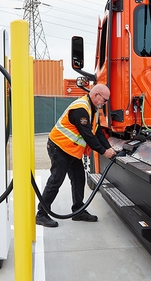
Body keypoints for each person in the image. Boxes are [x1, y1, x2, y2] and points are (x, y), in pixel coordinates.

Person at [36, 84, 117, 227]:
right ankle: (41, 214)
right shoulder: (81, 109)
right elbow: (88, 136)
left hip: (71, 150)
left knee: (79, 177)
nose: (105, 103)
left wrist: (109, 148)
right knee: (56, 179)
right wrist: (104, 152)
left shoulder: (94, 110)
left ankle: (78, 210)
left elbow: (97, 132)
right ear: (97, 95)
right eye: (105, 100)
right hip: (59, 147)